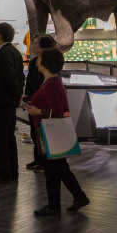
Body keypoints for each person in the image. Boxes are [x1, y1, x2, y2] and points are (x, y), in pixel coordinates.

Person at [24, 48, 89, 216]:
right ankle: (77, 197)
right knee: (59, 168)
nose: (37, 60)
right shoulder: (51, 81)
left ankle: (55, 205)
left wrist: (37, 112)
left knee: (53, 170)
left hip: (49, 132)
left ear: (45, 63)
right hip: (49, 131)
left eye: (40, 58)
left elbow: (57, 110)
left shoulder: (52, 83)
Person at [0, 22, 25, 185]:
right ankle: (11, 171)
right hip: (6, 103)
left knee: (0, 139)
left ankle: (3, 173)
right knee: (8, 138)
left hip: (0, 104)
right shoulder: (14, 52)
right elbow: (18, 78)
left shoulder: (3, 54)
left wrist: (15, 97)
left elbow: (9, 78)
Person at [24, 34, 57, 170]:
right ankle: (38, 158)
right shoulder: (33, 62)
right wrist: (27, 97)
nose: (33, 46)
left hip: (43, 101)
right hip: (33, 100)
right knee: (34, 130)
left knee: (43, 132)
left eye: (36, 43)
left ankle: (45, 160)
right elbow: (30, 80)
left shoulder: (51, 63)